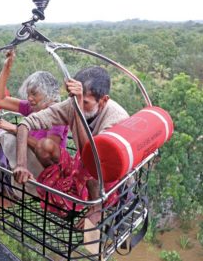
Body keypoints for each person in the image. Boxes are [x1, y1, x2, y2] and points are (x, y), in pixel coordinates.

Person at [14, 66, 129, 218]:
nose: (77, 105)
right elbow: (25, 124)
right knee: (44, 146)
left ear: (103, 100)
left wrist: (79, 110)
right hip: (82, 164)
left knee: (94, 167)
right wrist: (21, 165)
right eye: (74, 100)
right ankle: (65, 195)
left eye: (86, 102)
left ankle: (95, 207)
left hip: (105, 175)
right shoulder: (73, 104)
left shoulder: (117, 119)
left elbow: (93, 159)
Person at [0, 49, 69, 212]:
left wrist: (14, 129)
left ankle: (5, 191)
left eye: (34, 94)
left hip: (38, 169)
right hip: (16, 162)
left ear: (48, 94)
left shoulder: (57, 116)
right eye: (28, 94)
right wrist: (6, 68)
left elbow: (47, 152)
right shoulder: (33, 108)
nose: (30, 98)